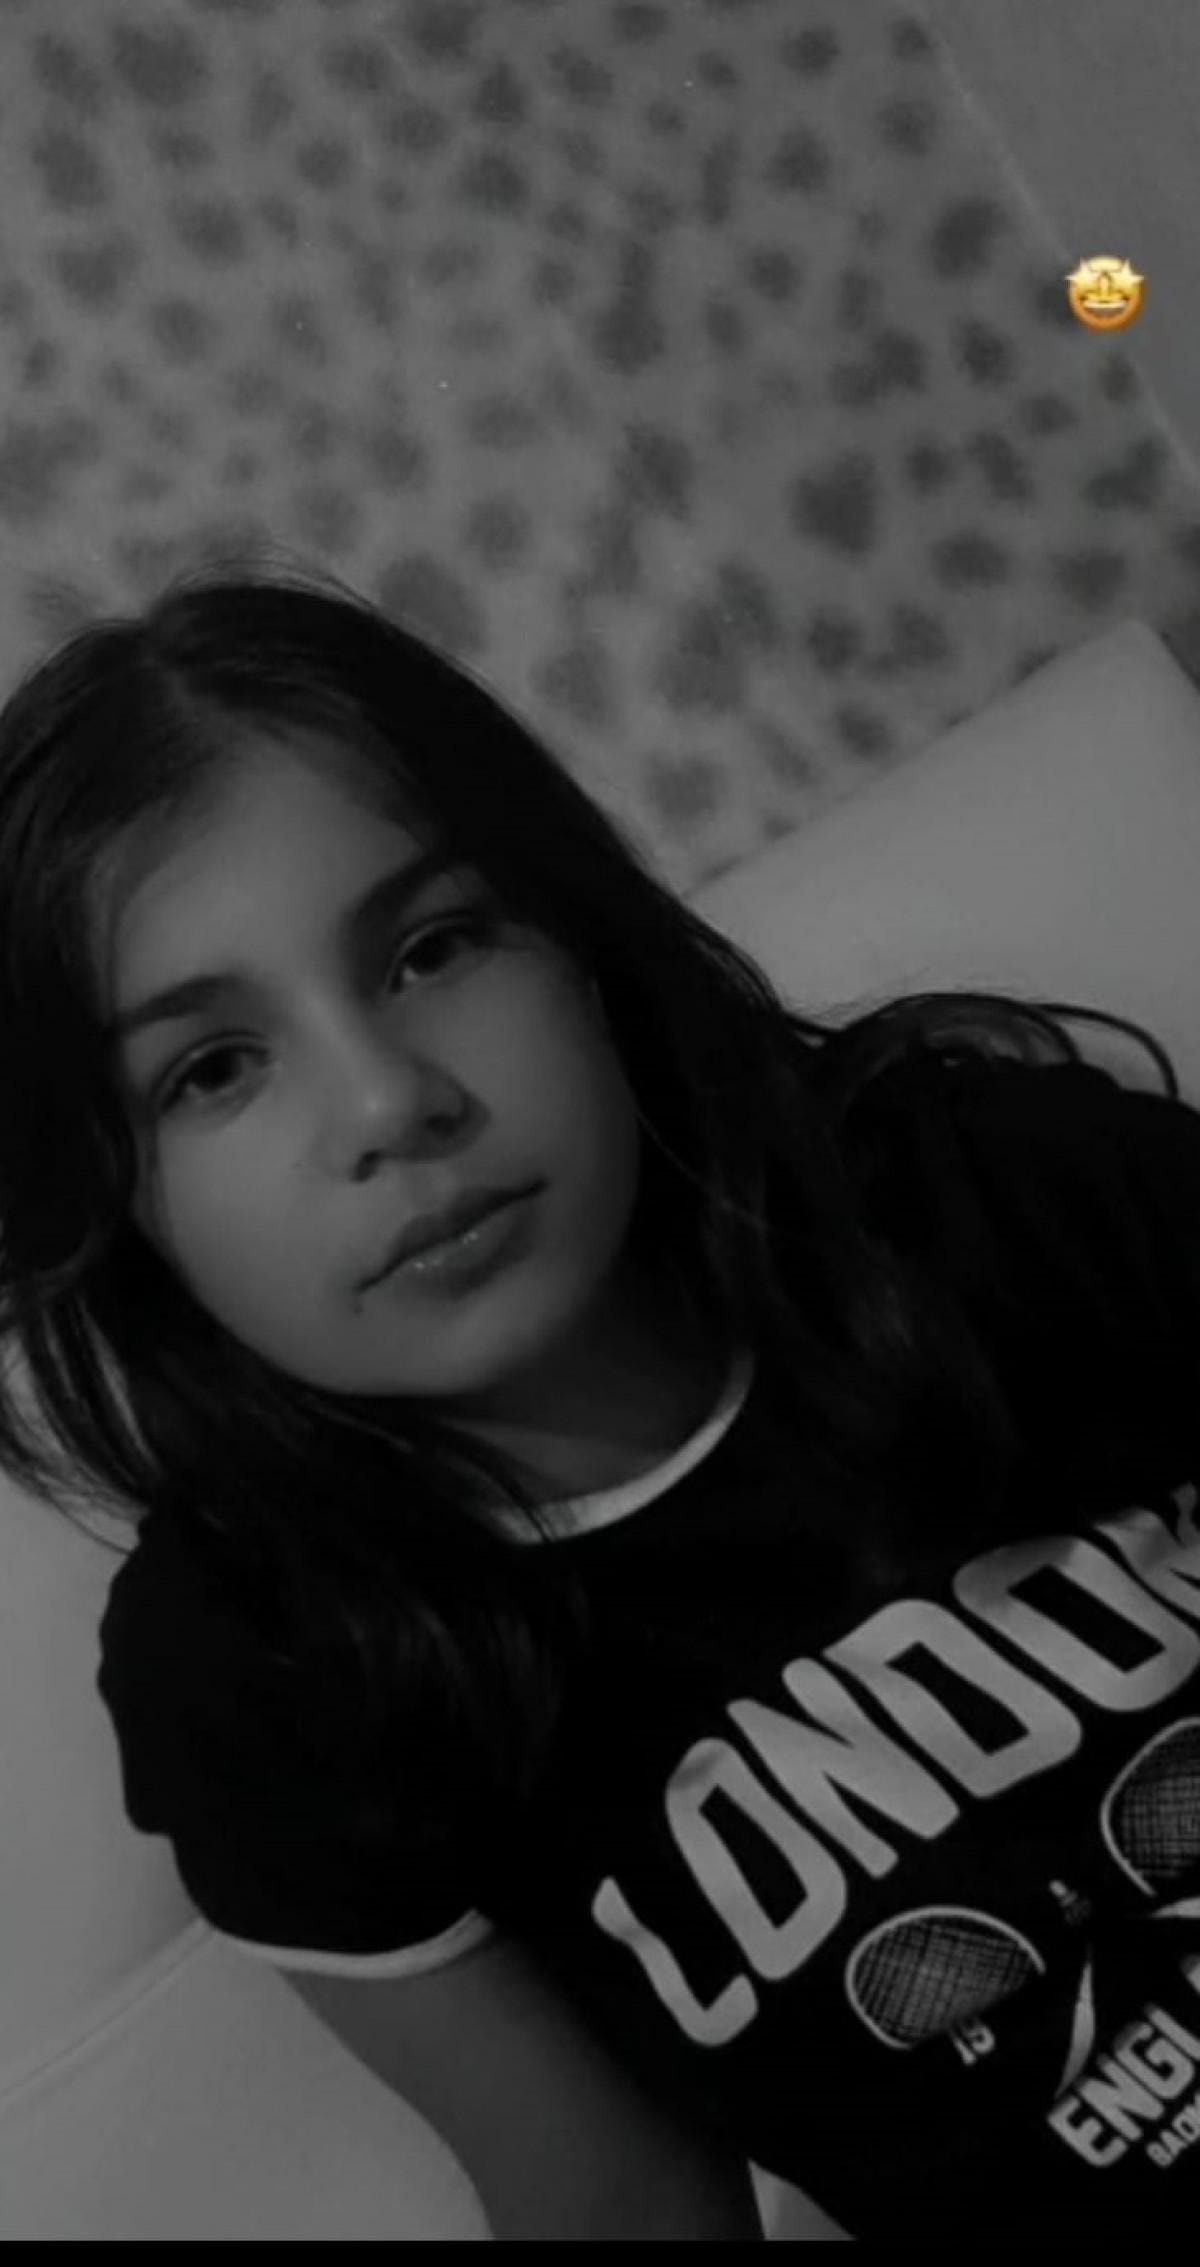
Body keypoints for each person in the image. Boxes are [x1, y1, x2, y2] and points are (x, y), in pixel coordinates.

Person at [0, 561, 1197, 2242]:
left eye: (431, 947)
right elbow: (615, 2202)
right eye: (211, 1070)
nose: (388, 1103)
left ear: (576, 935)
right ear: (115, 1206)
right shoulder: (272, 1676)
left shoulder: (994, 1195)